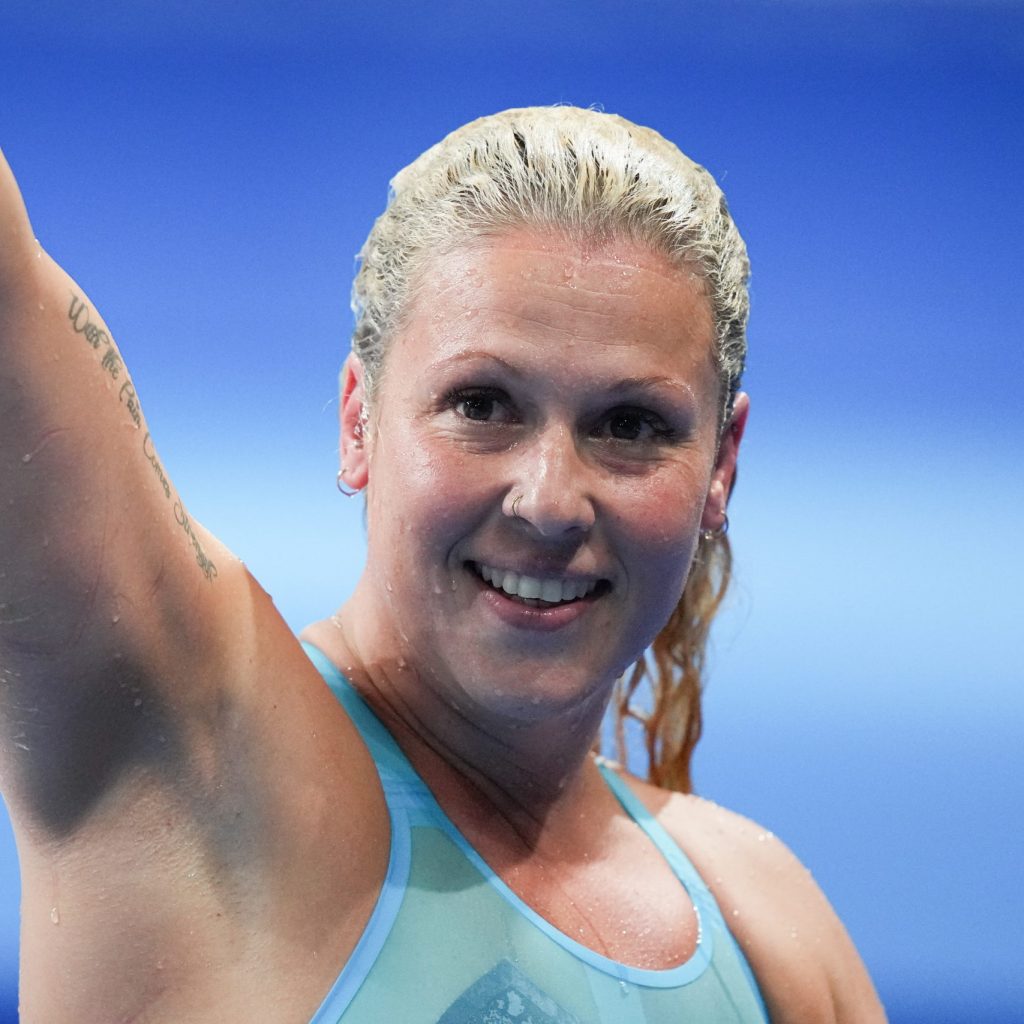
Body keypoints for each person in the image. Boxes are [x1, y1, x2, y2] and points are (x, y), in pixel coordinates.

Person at [0, 106, 885, 1022]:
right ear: (358, 421)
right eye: (483, 403)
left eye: (630, 426)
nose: (548, 500)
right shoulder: (189, 755)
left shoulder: (768, 927)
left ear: (721, 466)